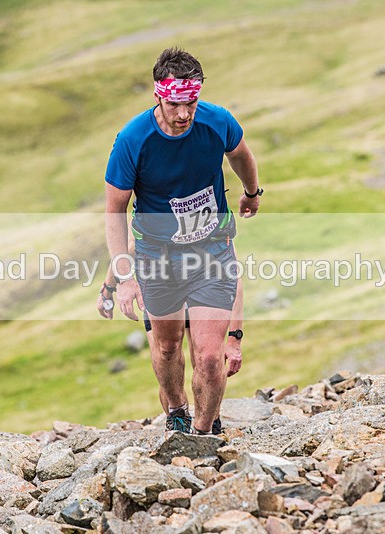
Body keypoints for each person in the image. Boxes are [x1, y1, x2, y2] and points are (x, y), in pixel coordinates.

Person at [104, 47, 260, 435]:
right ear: (158, 95)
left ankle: (203, 435)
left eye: (191, 101)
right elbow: (114, 212)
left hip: (212, 252)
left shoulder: (217, 121)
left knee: (208, 357)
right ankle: (175, 408)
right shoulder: (132, 140)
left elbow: (241, 153)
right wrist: (124, 278)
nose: (183, 113)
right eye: (175, 103)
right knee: (169, 346)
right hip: (157, 257)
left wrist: (251, 192)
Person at [96, 229, 244, 435]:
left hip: (201, 283)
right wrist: (108, 289)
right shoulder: (148, 213)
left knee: (207, 356)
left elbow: (234, 279)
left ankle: (211, 420)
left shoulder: (210, 216)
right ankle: (177, 419)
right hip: (159, 285)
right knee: (165, 352)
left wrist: (234, 336)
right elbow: (126, 250)